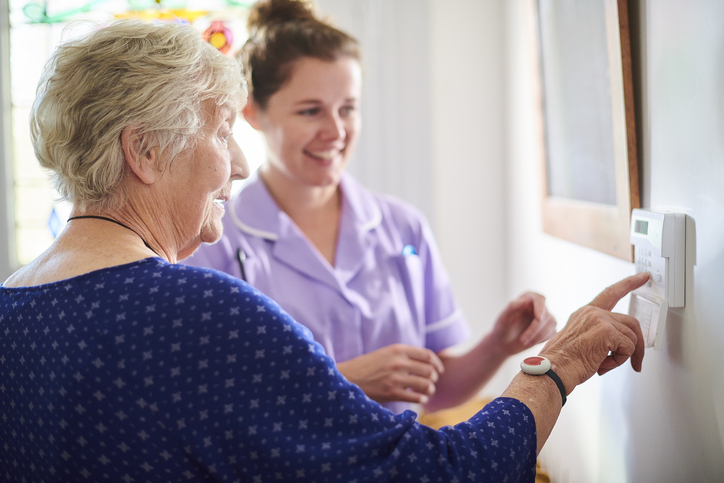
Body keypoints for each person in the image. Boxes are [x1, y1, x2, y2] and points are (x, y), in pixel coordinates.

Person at [0, 18, 650, 483]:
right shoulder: (196, 309)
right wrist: (560, 361)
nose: (237, 165)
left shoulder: (11, 309)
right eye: (222, 131)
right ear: (143, 152)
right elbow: (440, 473)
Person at [186, 0, 557, 414]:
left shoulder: (403, 227)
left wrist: (499, 344)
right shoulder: (211, 243)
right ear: (252, 111)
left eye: (348, 108)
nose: (336, 131)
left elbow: (432, 390)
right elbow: (212, 406)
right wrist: (347, 379)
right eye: (311, 111)